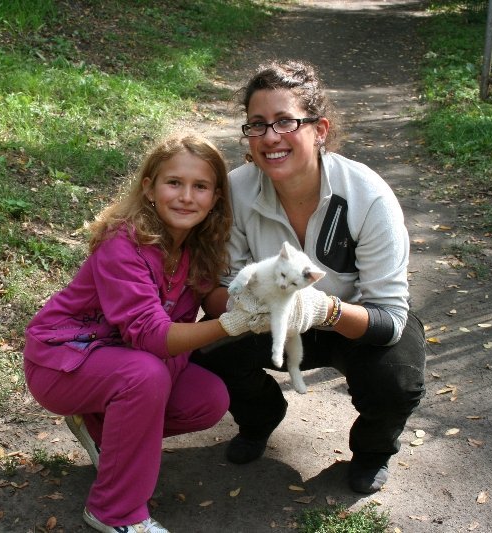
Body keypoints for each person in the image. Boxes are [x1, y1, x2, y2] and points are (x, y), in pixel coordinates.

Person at [192, 60, 427, 494]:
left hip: (350, 321)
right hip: (268, 319)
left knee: (397, 377)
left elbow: (390, 319)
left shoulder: (368, 195)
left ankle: (373, 450)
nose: (270, 137)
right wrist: (254, 303)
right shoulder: (236, 191)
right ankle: (260, 417)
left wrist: (324, 307)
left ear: (319, 129)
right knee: (206, 351)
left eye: (285, 121)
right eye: (257, 125)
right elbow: (215, 293)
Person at [23, 133, 262, 533]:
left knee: (208, 399)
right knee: (144, 374)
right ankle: (114, 512)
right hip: (64, 363)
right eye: (174, 183)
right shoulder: (124, 241)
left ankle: (98, 427)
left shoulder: (197, 245)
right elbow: (151, 336)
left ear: (216, 196)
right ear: (149, 189)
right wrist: (232, 325)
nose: (186, 196)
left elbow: (212, 296)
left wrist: (254, 304)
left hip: (125, 365)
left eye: (200, 186)